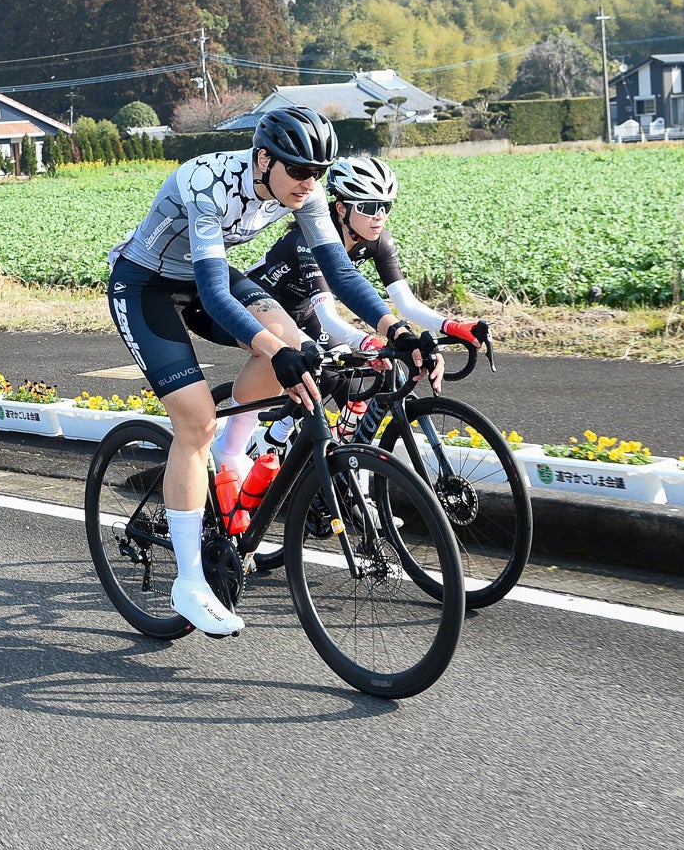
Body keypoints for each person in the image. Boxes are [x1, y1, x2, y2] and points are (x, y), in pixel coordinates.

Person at [106, 107, 440, 637]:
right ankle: (189, 581)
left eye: (319, 173)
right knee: (195, 421)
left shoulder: (302, 195)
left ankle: (234, 455)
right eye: (300, 171)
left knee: (300, 345)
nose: (310, 184)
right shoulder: (208, 180)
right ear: (264, 159)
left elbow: (340, 273)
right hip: (145, 285)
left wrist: (394, 330)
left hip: (201, 279)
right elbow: (215, 295)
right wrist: (271, 349)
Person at [245, 156, 488, 449]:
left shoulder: (377, 240)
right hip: (265, 306)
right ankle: (273, 438)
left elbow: (406, 303)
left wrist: (452, 326)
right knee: (326, 367)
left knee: (353, 386)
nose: (380, 216)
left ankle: (338, 462)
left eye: (386, 207)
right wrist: (369, 342)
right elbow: (329, 318)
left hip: (306, 309)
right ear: (341, 208)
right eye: (370, 207)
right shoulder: (310, 239)